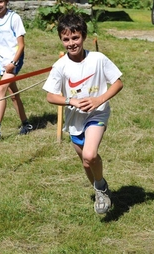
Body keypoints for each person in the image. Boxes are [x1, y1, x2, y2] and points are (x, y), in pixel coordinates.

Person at [42, 13, 124, 214]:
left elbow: (118, 83)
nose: (71, 43)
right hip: (74, 120)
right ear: (61, 40)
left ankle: (101, 190)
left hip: (97, 114)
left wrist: (98, 100)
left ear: (84, 36)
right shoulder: (60, 66)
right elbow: (51, 97)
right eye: (66, 39)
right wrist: (71, 100)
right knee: (87, 163)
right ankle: (100, 187)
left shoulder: (98, 59)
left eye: (75, 37)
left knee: (89, 154)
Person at [0, 0, 33, 142]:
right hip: (2, 62)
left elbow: (21, 45)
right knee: (13, 94)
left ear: (6, 2)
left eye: (0, 2)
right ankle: (26, 124)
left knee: (1, 89)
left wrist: (13, 63)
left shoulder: (14, 18)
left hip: (14, 60)